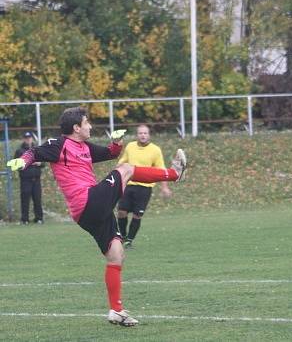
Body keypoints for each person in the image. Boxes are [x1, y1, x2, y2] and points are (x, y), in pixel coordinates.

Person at [7, 107, 187, 327]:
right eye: (87, 122)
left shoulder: (84, 147)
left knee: (116, 254)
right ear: (76, 128)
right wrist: (23, 161)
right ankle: (174, 174)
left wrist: (116, 144)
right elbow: (34, 152)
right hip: (88, 201)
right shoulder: (59, 144)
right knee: (125, 169)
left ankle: (116, 311)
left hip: (87, 213)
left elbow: (109, 154)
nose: (90, 126)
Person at [117, 124, 172, 249]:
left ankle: (129, 241)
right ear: (137, 135)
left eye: (145, 133)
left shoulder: (155, 150)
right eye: (140, 133)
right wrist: (116, 171)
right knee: (121, 212)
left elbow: (161, 170)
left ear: (149, 135)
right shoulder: (130, 147)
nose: (143, 135)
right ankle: (123, 237)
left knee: (137, 215)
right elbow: (122, 162)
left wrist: (164, 187)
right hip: (128, 185)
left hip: (145, 188)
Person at [15, 132, 44, 225]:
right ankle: (25, 219)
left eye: (29, 138)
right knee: (25, 200)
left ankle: (39, 218)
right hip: (25, 180)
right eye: (26, 138)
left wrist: (40, 163)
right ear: (24, 139)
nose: (28, 139)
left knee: (37, 200)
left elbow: (43, 162)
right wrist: (25, 163)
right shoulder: (19, 151)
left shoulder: (37, 149)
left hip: (36, 179)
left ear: (32, 138)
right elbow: (16, 165)